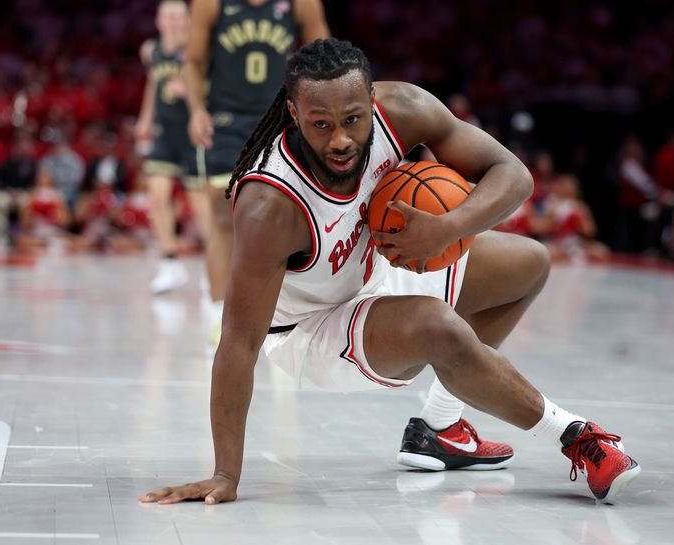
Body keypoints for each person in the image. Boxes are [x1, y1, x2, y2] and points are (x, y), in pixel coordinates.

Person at [140, 39, 640, 507]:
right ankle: (576, 438)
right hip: (310, 330)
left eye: (353, 119)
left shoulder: (402, 110)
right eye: (321, 124)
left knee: (529, 264)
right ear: (293, 113)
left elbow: (514, 176)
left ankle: (441, 430)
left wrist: (449, 226)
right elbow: (238, 343)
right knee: (437, 326)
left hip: (375, 266)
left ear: (372, 99)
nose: (340, 139)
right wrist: (226, 474)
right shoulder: (270, 206)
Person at [182, 0, 330, 341]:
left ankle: (286, 315)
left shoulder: (301, 3)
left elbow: (324, 59)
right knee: (222, 217)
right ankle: (218, 313)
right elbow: (192, 61)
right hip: (224, 121)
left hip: (279, 118)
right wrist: (195, 110)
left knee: (286, 218)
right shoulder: (211, 4)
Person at [135, 0, 204, 294]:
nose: (174, 21)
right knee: (157, 195)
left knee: (202, 207)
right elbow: (153, 83)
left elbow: (211, 86)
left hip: (192, 134)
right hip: (165, 134)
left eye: (179, 16)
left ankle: (212, 269)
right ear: (159, 20)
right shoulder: (150, 50)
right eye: (169, 15)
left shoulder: (197, 48)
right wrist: (145, 118)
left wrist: (188, 90)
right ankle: (170, 261)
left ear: (188, 20)